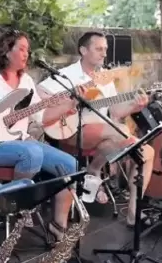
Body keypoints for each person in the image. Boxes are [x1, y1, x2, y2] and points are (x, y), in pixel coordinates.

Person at [0, 29, 79, 241]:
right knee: (32, 153)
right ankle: (16, 206)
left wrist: (68, 105)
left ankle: (59, 225)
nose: (26, 53)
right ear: (6, 51)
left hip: (21, 141)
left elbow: (42, 117)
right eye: (21, 48)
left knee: (70, 165)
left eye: (27, 49)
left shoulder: (27, 82)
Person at [38, 31, 154, 227]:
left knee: (146, 152)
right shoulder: (68, 75)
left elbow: (115, 112)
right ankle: (95, 169)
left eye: (105, 49)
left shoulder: (105, 78)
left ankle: (134, 212)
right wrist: (68, 103)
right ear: (83, 50)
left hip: (102, 132)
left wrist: (136, 106)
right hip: (72, 130)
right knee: (120, 132)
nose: (104, 54)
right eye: (99, 49)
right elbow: (40, 92)